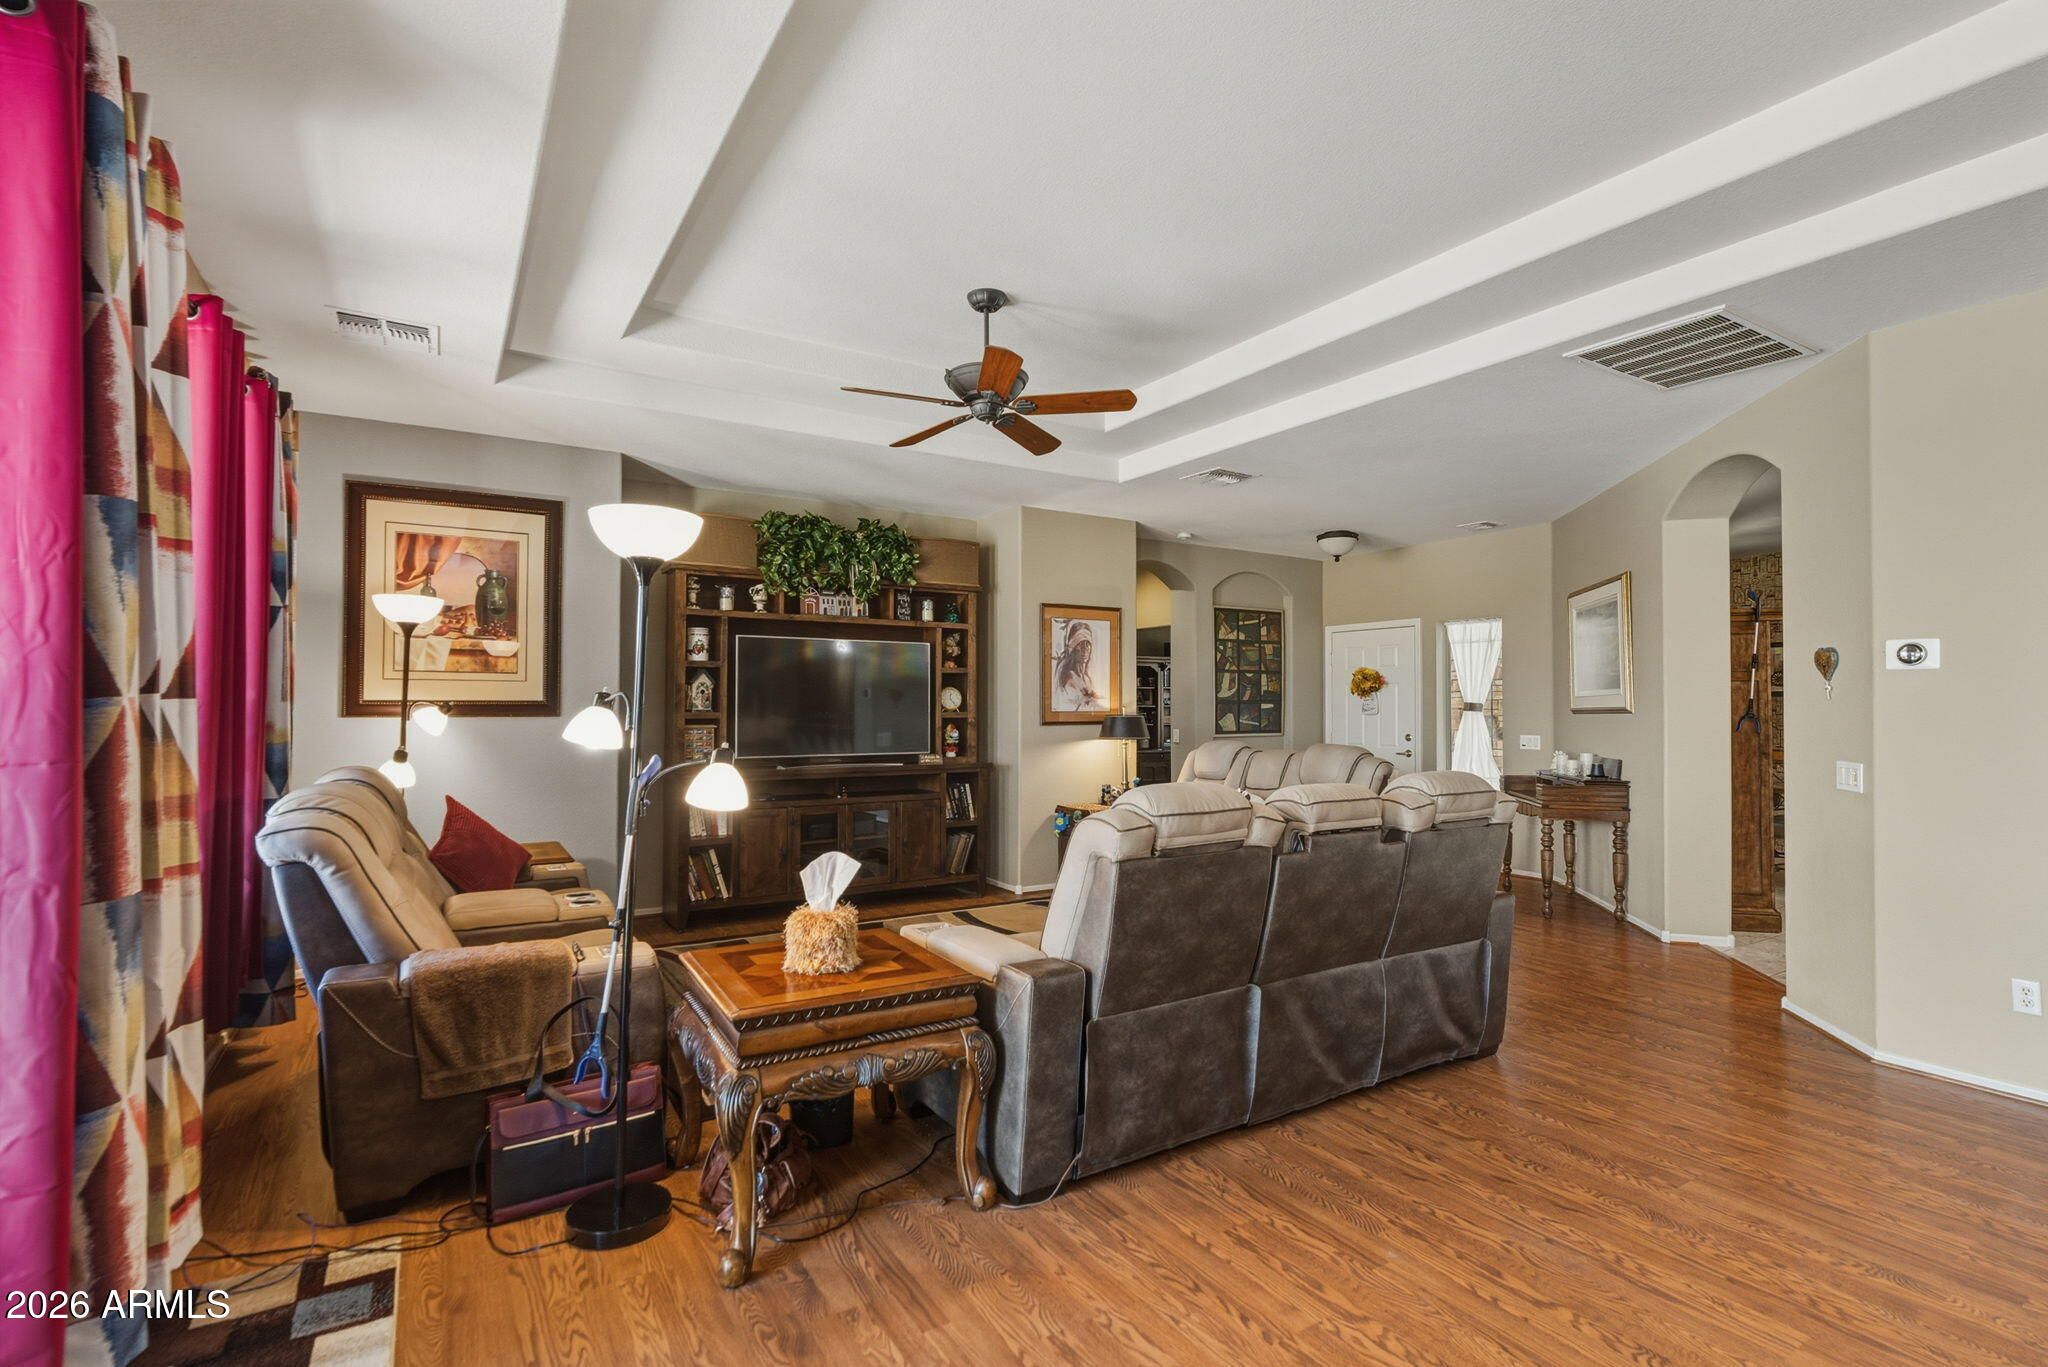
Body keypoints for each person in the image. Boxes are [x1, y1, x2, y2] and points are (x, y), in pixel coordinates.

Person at [1052, 619, 1104, 712]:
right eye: (1080, 643)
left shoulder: (1088, 679)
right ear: (1073, 648)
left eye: (1087, 643)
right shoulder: (1070, 677)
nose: (1085, 648)